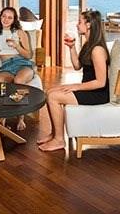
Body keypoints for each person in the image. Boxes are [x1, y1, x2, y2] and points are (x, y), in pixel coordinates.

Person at [38, 10, 110, 152]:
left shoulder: (97, 50)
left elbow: (101, 82)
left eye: (79, 22)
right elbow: (77, 66)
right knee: (49, 91)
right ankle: (54, 133)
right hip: (88, 89)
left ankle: (59, 140)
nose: (77, 25)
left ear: (88, 25)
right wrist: (71, 48)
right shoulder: (88, 44)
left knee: (53, 97)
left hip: (97, 93)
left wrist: (76, 86)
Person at [0, 6, 34, 130]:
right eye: (4, 16)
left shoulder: (19, 32)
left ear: (14, 19)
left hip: (22, 63)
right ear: (0, 17)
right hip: (6, 66)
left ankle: (21, 118)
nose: (6, 19)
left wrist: (17, 46)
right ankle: (2, 120)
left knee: (18, 81)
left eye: (10, 17)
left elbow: (29, 55)